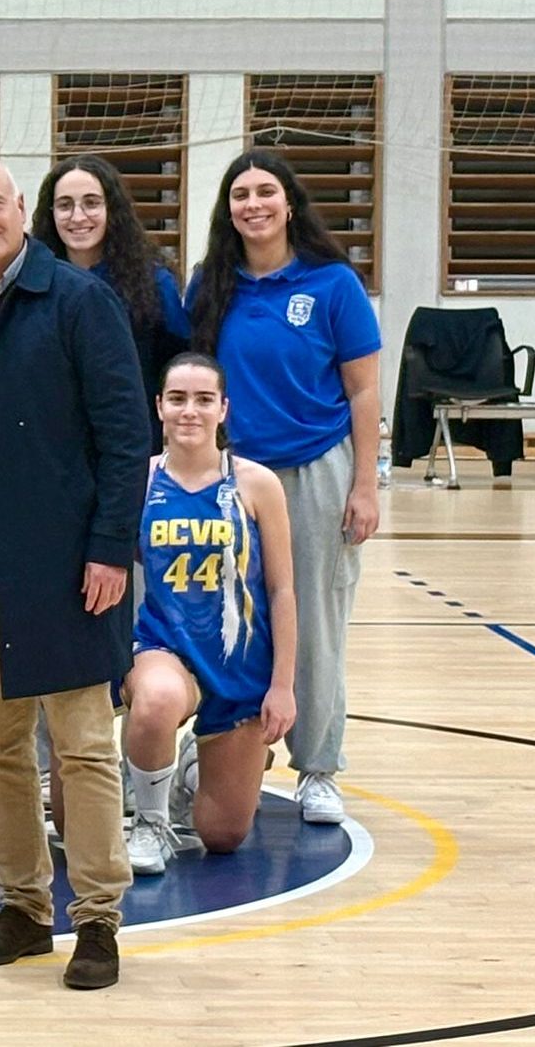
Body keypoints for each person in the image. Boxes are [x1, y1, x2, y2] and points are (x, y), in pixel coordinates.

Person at [0, 156, 145, 990]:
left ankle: (98, 918)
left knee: (82, 746)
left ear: (21, 208)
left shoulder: (80, 301)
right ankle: (22, 906)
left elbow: (126, 434)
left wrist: (109, 545)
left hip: (67, 563)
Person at [186, 148, 381, 826]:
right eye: (240, 195)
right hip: (231, 476)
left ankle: (319, 767)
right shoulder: (210, 285)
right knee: (225, 616)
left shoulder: (332, 284)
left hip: (316, 470)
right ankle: (218, 753)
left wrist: (365, 484)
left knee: (316, 622)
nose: (254, 204)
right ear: (228, 210)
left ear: (289, 202)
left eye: (266, 191)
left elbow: (364, 390)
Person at [122, 354, 298, 875]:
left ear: (223, 409)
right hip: (165, 647)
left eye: (204, 400)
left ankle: (190, 768)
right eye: (177, 399)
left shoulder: (257, 484)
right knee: (156, 700)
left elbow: (282, 590)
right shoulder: (140, 482)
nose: (190, 411)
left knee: (222, 835)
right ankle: (150, 821)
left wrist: (283, 686)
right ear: (159, 407)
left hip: (240, 665)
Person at [32, 154, 191, 450]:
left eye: (91, 203)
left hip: (131, 443)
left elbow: (176, 365)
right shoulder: (33, 281)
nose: (78, 217)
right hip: (55, 445)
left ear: (112, 209)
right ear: (50, 213)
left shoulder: (154, 282)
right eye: (65, 205)